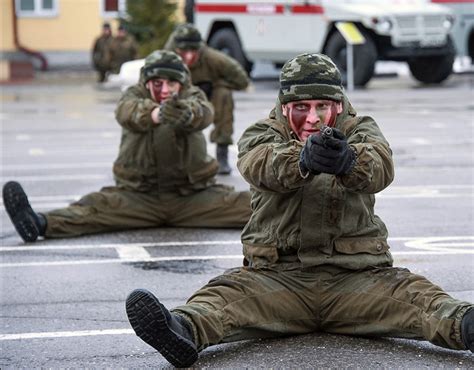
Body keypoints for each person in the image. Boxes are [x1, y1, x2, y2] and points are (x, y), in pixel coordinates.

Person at [124, 53, 474, 368]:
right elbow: (259, 163)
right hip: (277, 280)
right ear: (284, 106)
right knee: (223, 299)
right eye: (301, 107)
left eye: (322, 105)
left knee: (419, 299)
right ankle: (180, 329)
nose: (313, 117)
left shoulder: (360, 129)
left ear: (337, 105)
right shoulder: (262, 132)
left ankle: (467, 325)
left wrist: (348, 161)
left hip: (358, 280)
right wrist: (302, 159)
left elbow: (381, 164)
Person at [2, 50, 251, 243]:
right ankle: (38, 224)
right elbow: (126, 111)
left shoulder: (192, 96)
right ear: (146, 82)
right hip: (138, 199)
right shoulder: (133, 96)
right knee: (93, 207)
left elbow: (204, 112)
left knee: (249, 206)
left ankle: (291, 222)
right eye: (157, 83)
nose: (164, 90)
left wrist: (186, 116)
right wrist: (156, 114)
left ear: (182, 83)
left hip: (194, 198)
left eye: (171, 84)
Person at [165, 23, 250, 175]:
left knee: (224, 94)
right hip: (180, 96)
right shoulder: (167, 60)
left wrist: (217, 84)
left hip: (207, 94)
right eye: (184, 52)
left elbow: (242, 81)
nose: (189, 56)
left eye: (193, 51)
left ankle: (222, 154)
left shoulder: (214, 59)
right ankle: (173, 155)